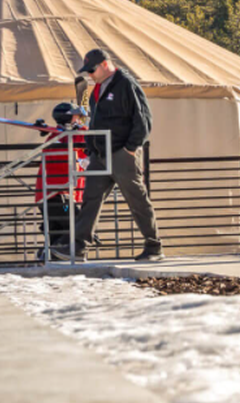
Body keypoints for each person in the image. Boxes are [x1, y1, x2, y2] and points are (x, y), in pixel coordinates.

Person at [53, 48, 163, 262]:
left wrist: (130, 148)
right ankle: (78, 247)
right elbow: (95, 121)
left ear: (105, 64)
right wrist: (90, 147)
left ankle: (154, 246)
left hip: (121, 152)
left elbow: (143, 119)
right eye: (87, 72)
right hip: (100, 154)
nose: (90, 75)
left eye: (92, 70)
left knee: (137, 200)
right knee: (90, 198)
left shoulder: (126, 84)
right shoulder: (97, 88)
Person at [34, 102, 88, 260]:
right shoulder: (56, 139)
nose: (79, 121)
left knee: (58, 229)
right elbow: (69, 150)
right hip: (55, 193)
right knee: (78, 223)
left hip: (64, 192)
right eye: (76, 117)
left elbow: (86, 147)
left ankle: (49, 254)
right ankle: (53, 252)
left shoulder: (67, 136)